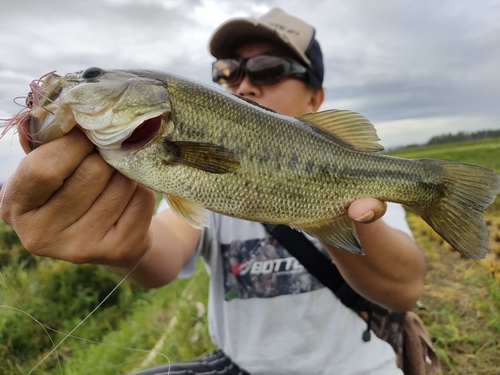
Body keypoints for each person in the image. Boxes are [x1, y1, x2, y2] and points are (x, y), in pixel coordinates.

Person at [0, 8, 426, 375]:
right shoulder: (200, 190)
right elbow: (160, 255)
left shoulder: (363, 180)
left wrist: (341, 214)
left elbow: (404, 291)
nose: (244, 84)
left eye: (268, 70)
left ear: (316, 96)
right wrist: (120, 244)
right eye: (226, 72)